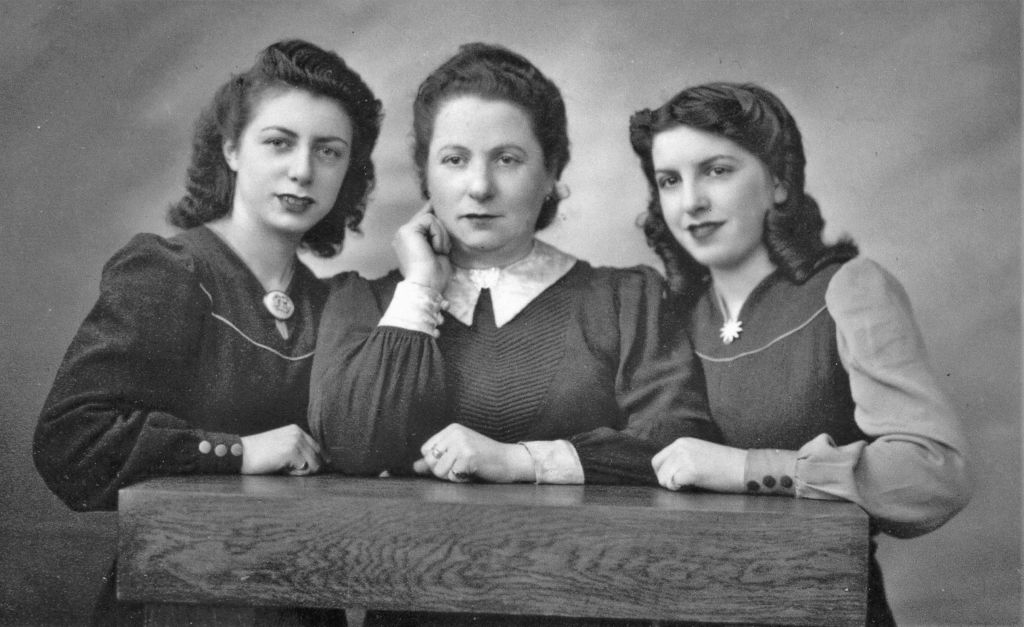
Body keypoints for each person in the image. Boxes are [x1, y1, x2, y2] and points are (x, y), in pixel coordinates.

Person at [308, 44, 718, 625]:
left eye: (507, 159)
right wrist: (420, 288)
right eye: (454, 159)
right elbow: (351, 447)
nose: (479, 187)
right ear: (425, 173)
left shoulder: (625, 299)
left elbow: (679, 443)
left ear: (551, 173)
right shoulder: (366, 303)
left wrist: (519, 461)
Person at [33, 39, 382, 625]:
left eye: (328, 151)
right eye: (279, 142)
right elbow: (71, 443)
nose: (303, 170)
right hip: (181, 602)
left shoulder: (333, 304)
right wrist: (239, 452)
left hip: (300, 605)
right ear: (232, 148)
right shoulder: (171, 271)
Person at [629, 82, 970, 625]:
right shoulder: (668, 315)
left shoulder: (848, 290)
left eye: (717, 170)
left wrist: (749, 469)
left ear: (779, 181)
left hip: (820, 609)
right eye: (670, 180)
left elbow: (936, 474)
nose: (690, 201)